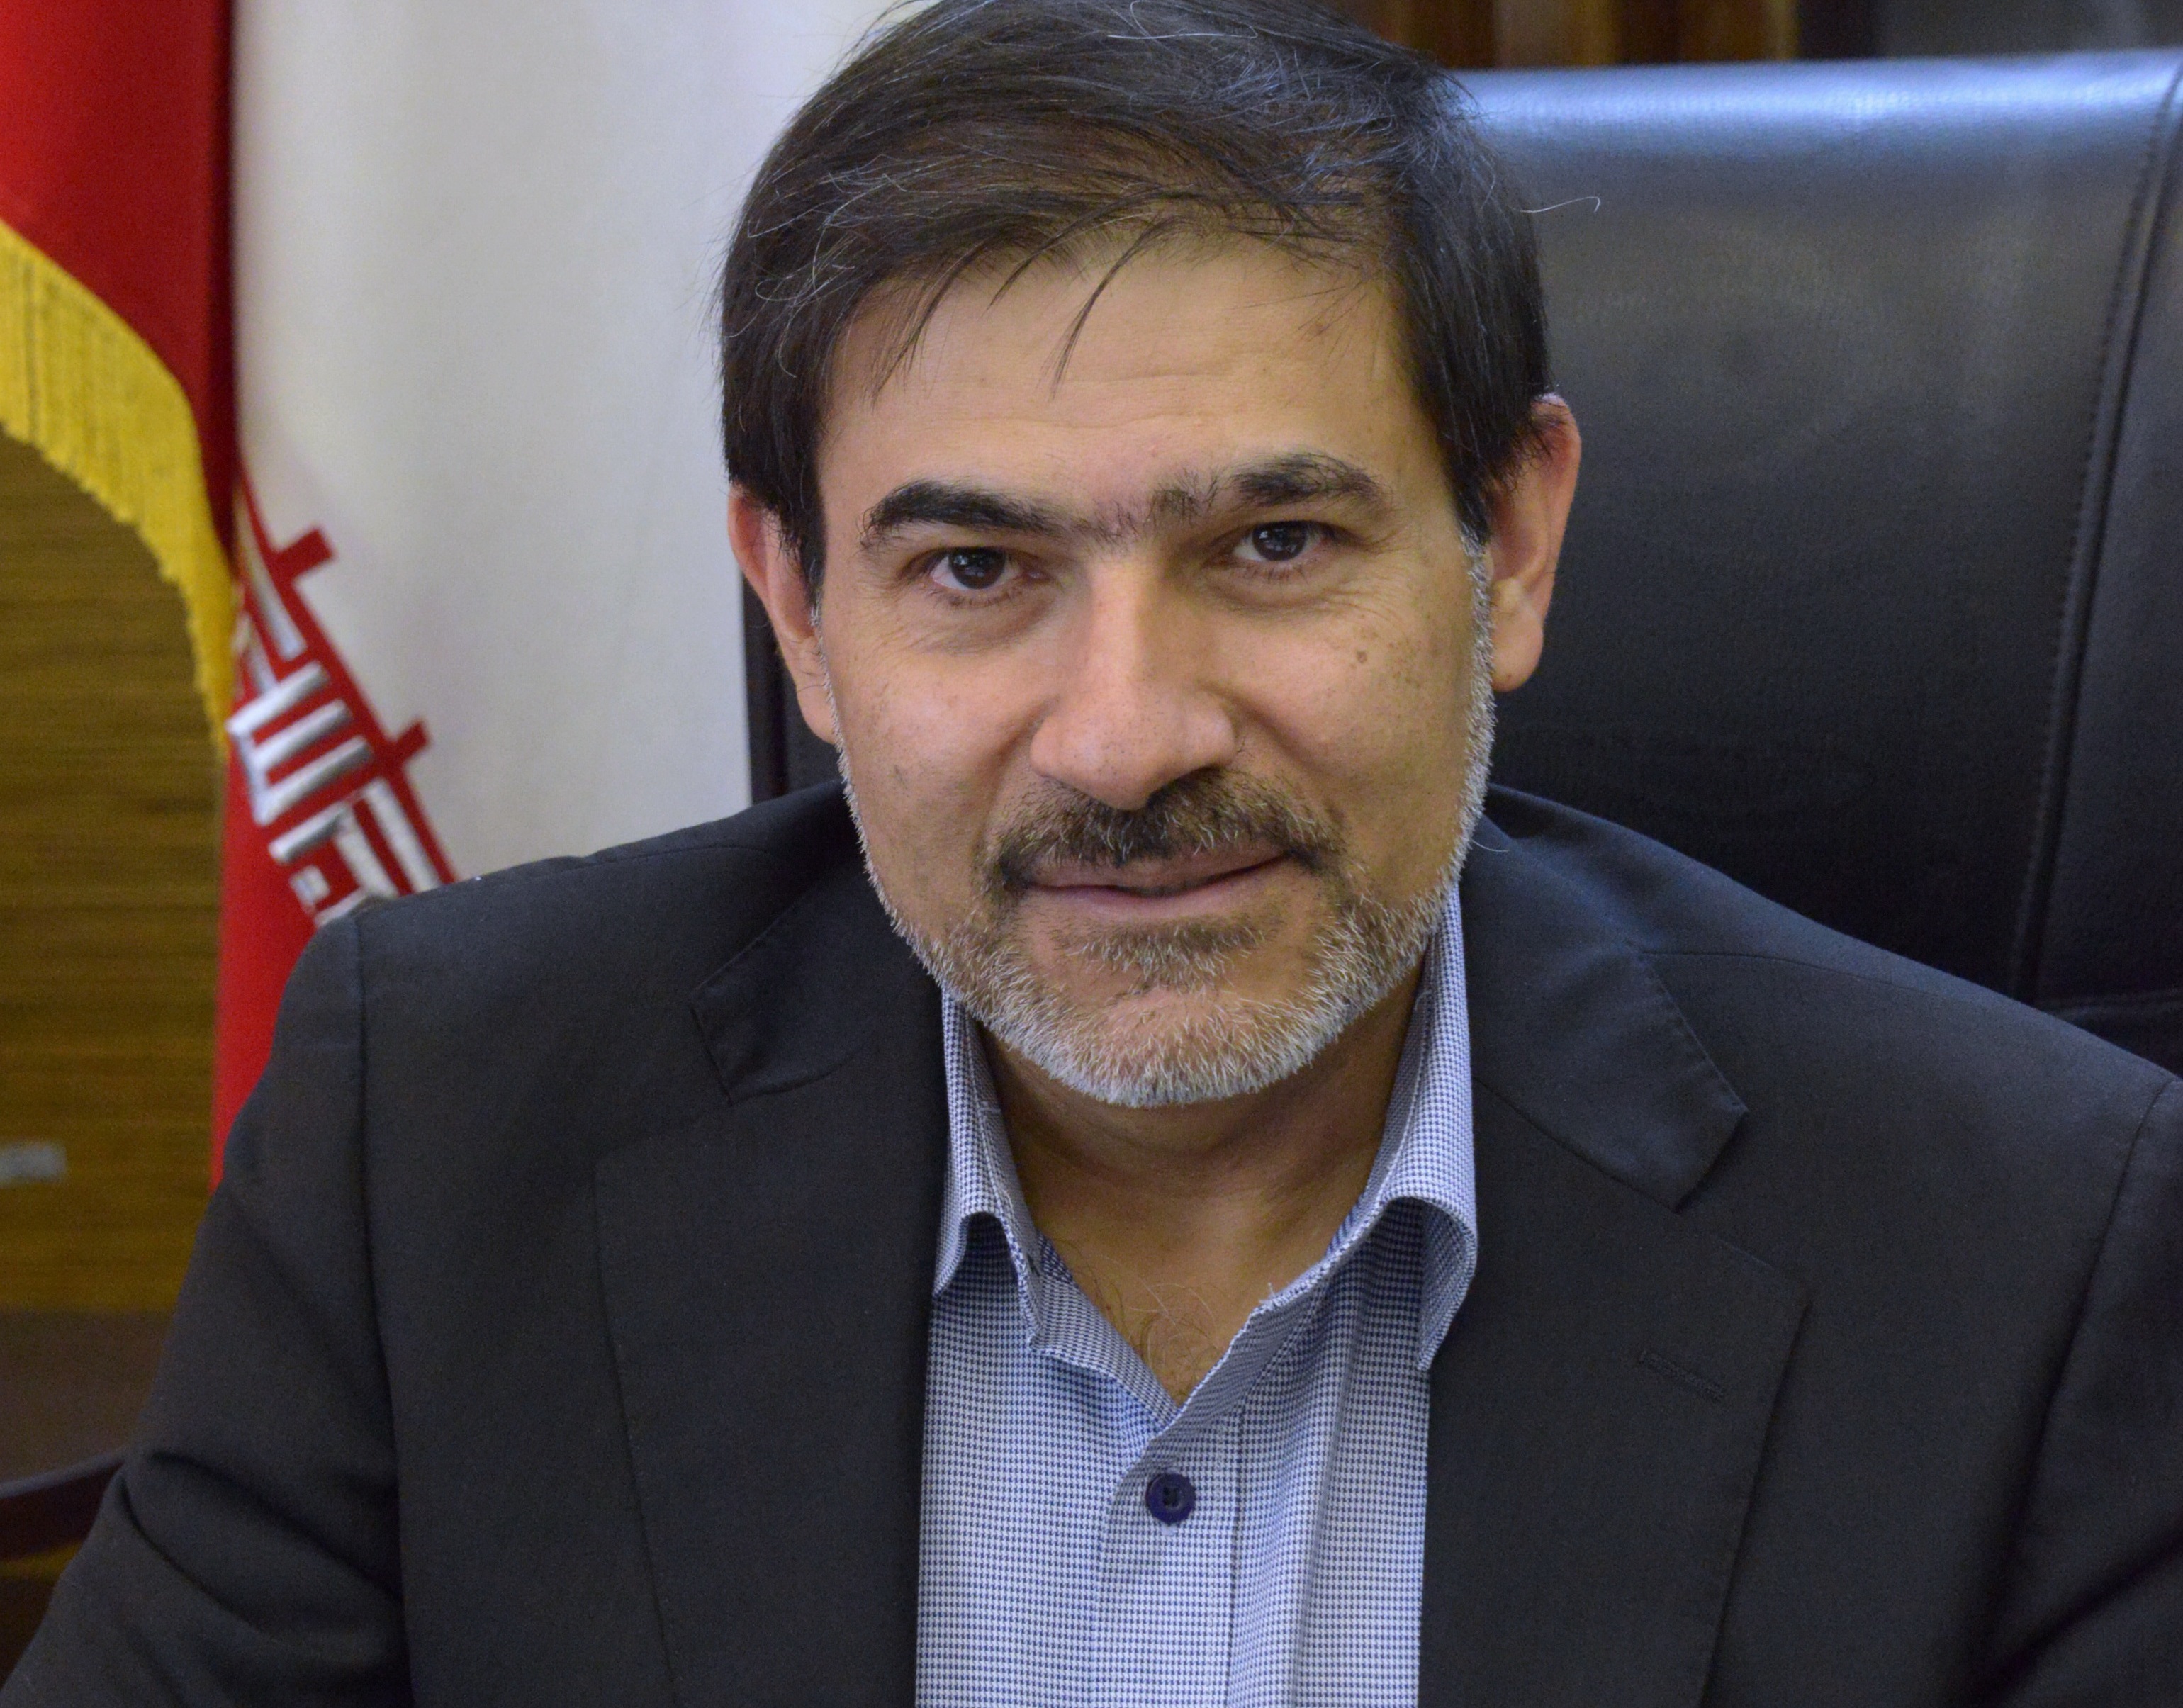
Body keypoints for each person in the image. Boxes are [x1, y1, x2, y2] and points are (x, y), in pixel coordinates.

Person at [10, 1, 2180, 1702]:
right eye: (975, 570)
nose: (1128, 736)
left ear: (1509, 544)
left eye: (1276, 542)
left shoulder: (2026, 1255)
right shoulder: (442, 1135)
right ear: (798, 611)